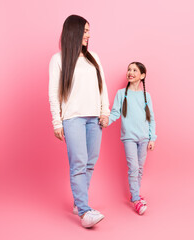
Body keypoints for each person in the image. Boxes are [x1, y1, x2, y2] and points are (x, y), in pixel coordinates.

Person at [48, 15, 109, 228]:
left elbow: (103, 86)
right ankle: (84, 212)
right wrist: (57, 121)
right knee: (79, 163)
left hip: (95, 119)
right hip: (73, 118)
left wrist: (105, 111)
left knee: (90, 162)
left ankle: (78, 202)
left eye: (89, 30)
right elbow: (54, 93)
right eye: (84, 31)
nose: (88, 35)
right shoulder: (58, 59)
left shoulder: (93, 57)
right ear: (73, 32)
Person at [106, 62, 157, 215]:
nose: (130, 72)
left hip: (144, 139)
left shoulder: (146, 96)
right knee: (133, 168)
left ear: (142, 76)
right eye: (129, 69)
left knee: (140, 169)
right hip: (129, 138)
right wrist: (104, 121)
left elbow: (151, 119)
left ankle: (136, 193)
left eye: (135, 70)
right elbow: (115, 113)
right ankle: (135, 199)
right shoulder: (121, 94)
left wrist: (152, 138)